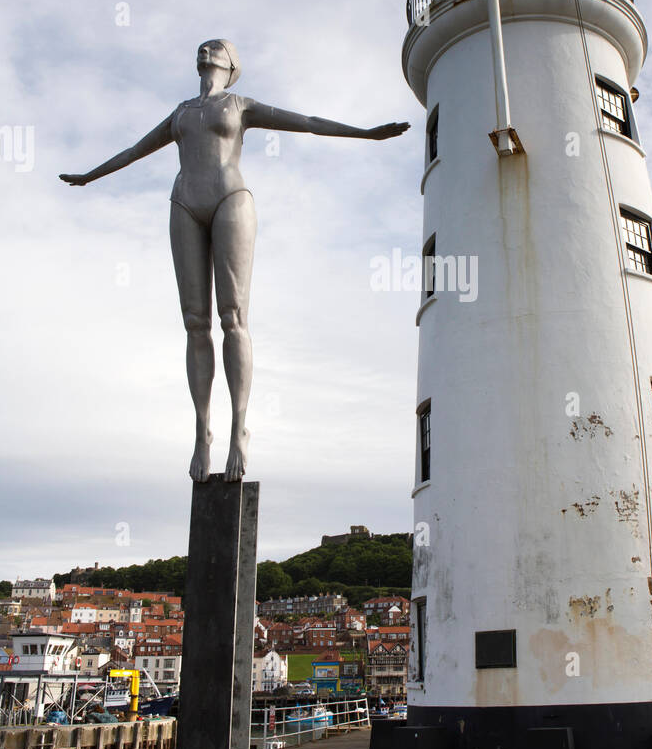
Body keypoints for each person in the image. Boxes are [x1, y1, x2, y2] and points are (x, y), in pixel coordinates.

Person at [61, 39, 409, 480]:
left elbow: (307, 122)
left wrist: (365, 133)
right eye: (203, 46)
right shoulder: (181, 114)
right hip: (185, 202)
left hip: (231, 199)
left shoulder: (240, 105)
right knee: (194, 321)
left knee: (233, 316)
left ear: (231, 64)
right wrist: (90, 177)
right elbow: (133, 151)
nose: (207, 49)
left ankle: (238, 430)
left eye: (217, 47)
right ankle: (201, 433)